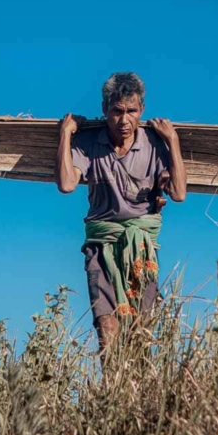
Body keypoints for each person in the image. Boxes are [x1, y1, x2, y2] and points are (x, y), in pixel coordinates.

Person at [55, 72, 187, 354]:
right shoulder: (89, 144)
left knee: (142, 327)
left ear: (142, 110)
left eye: (131, 111)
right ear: (104, 109)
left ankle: (137, 394)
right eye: (116, 111)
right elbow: (67, 184)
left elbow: (178, 193)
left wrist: (173, 140)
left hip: (141, 247)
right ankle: (110, 393)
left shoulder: (155, 144)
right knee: (107, 327)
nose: (124, 120)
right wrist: (66, 134)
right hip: (101, 246)